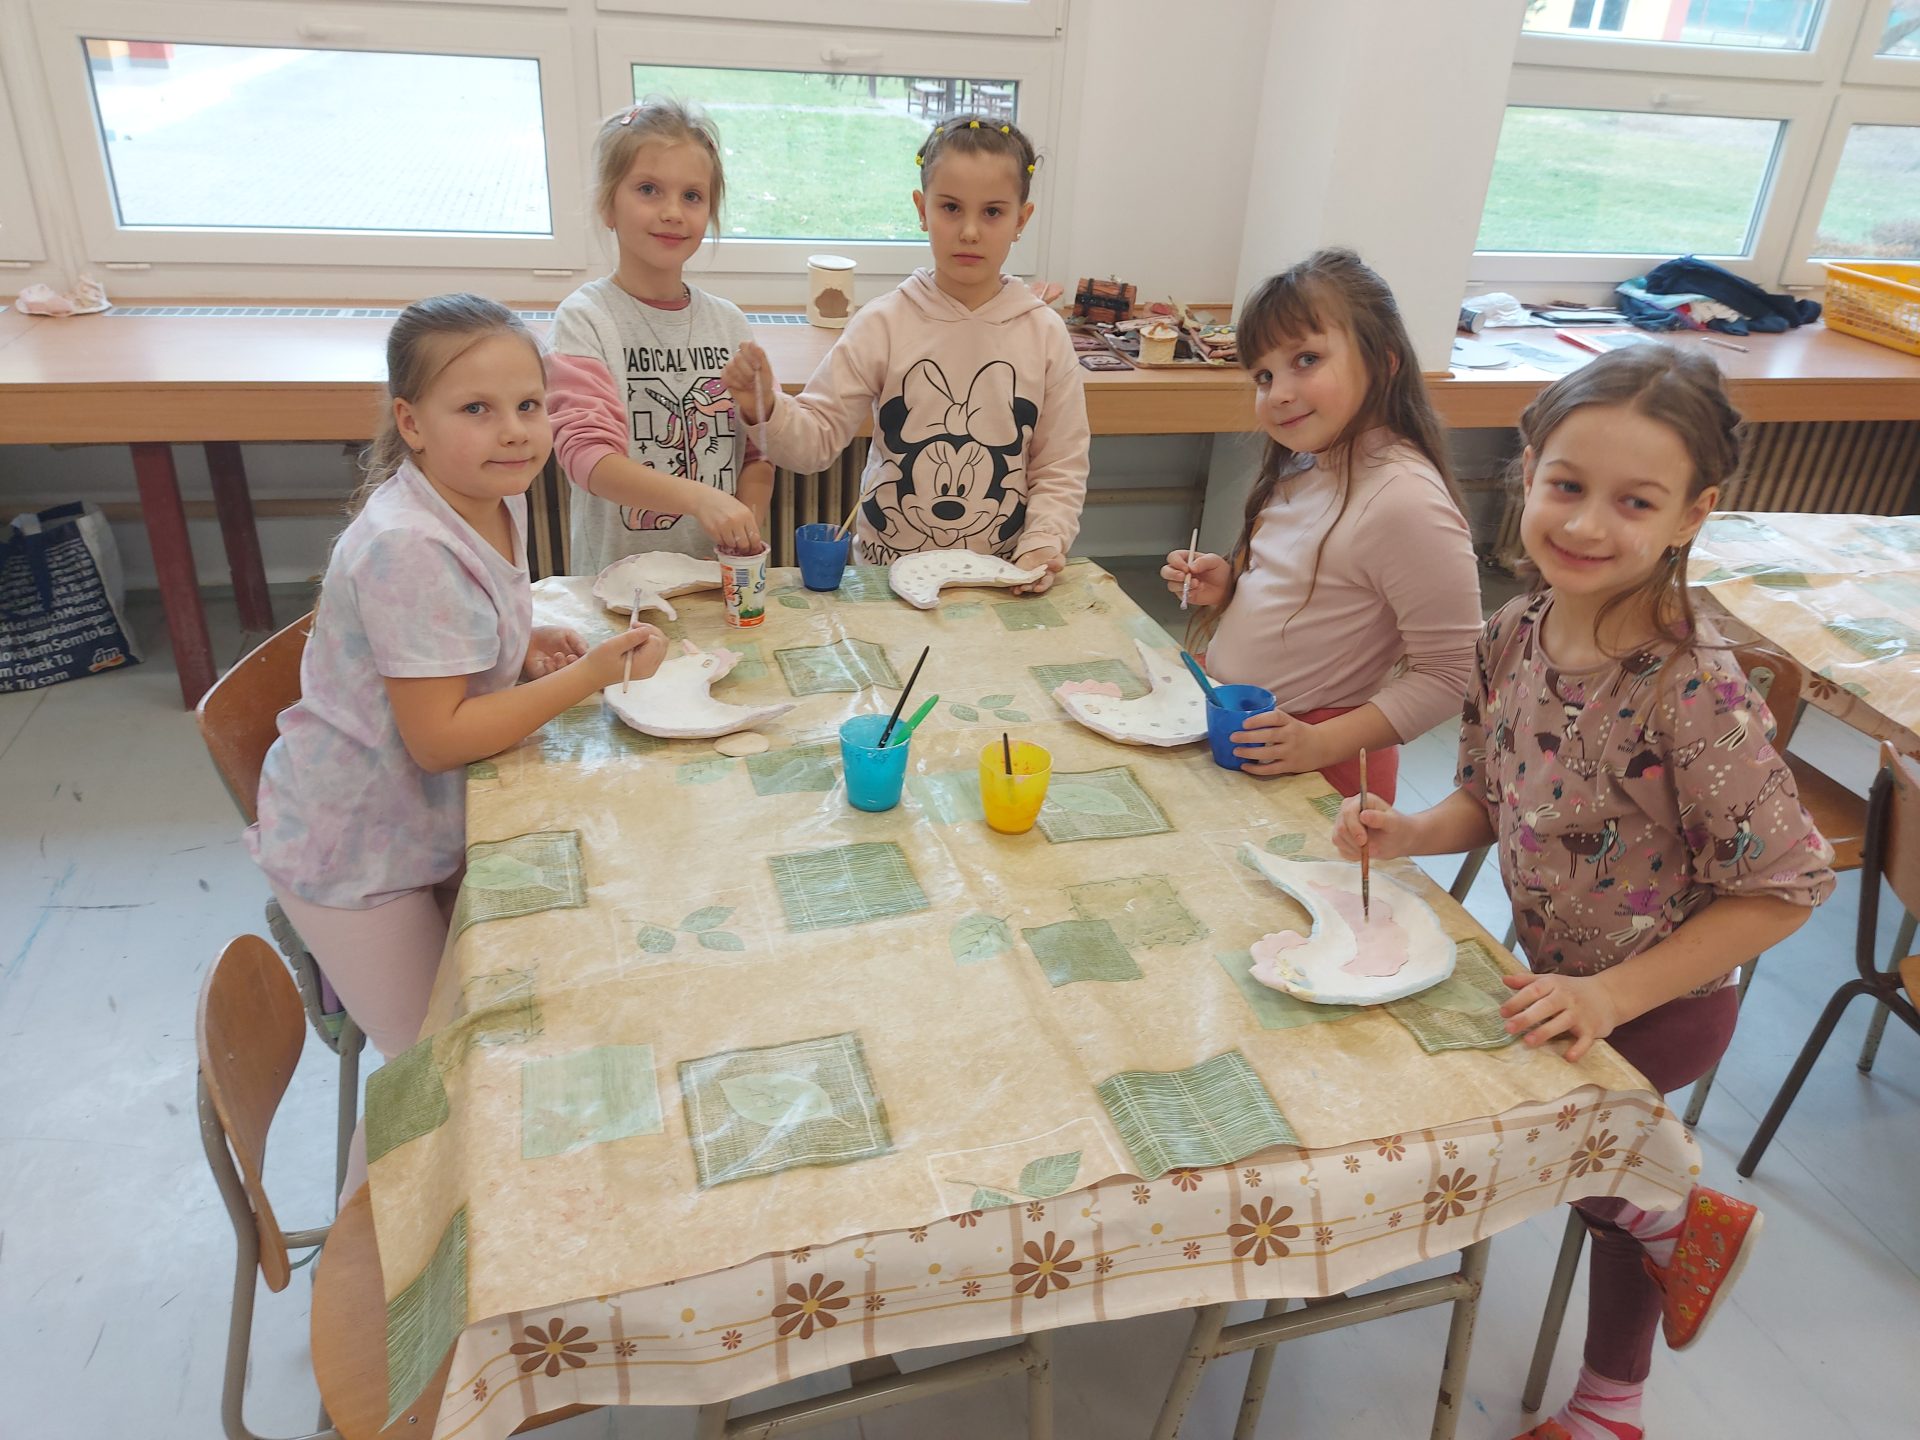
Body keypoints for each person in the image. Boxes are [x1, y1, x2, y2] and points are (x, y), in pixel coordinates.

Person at [1332, 344, 1836, 1440]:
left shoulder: (1694, 690)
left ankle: (1665, 1236)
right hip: (1555, 981)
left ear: (1693, 514)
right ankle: (1645, 1307)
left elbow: (1788, 888)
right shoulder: (1511, 635)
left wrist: (1614, 998)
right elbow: (1487, 795)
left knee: (1596, 1169)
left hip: (1665, 1004)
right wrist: (1411, 831)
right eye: (1567, 485)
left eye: (1635, 502)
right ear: (1527, 474)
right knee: (1610, 1185)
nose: (1588, 523)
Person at [249, 294, 666, 1194]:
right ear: (412, 423)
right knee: (436, 1069)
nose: (513, 430)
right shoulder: (406, 546)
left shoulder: (485, 496)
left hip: (418, 824)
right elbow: (439, 739)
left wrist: (515, 646)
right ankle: (369, 1249)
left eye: (529, 404)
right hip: (357, 852)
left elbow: (449, 640)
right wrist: (586, 677)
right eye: (476, 408)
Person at [722, 114, 1087, 594]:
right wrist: (765, 405)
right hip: (885, 582)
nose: (970, 231)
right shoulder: (883, 322)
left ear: (1022, 219)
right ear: (922, 209)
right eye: (951, 207)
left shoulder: (1045, 334)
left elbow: (1060, 466)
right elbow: (813, 444)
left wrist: (1042, 544)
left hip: (998, 581)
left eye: (993, 212)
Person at [1164, 248, 1481, 799]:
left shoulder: (1405, 500)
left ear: (1384, 362)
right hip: (1250, 738)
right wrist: (1230, 585)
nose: (1279, 393)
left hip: (1322, 768)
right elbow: (1318, 588)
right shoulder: (1307, 463)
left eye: (1306, 359)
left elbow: (1452, 674)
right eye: (1264, 375)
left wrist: (1317, 744)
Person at [547, 98, 773, 574]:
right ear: (607, 205)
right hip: (617, 589)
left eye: (692, 196)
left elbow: (756, 454)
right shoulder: (585, 319)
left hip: (711, 583)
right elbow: (587, 458)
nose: (673, 212)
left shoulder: (730, 323)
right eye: (648, 189)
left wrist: (745, 528)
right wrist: (701, 499)